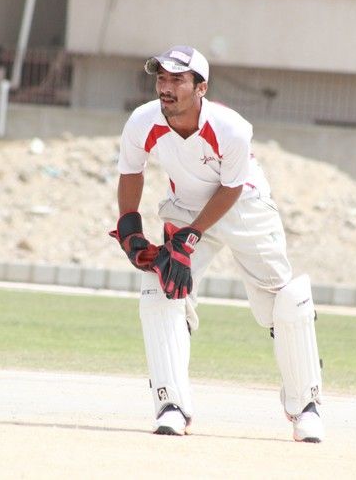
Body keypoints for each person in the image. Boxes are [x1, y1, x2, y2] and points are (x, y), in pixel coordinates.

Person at [110, 45, 324, 442]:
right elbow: (131, 172)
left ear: (201, 88)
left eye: (177, 79)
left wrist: (189, 238)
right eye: (161, 78)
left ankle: (306, 407)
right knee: (162, 289)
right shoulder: (142, 121)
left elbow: (231, 187)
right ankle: (171, 406)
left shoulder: (231, 128)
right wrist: (129, 226)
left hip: (244, 205)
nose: (166, 87)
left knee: (284, 301)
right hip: (185, 206)